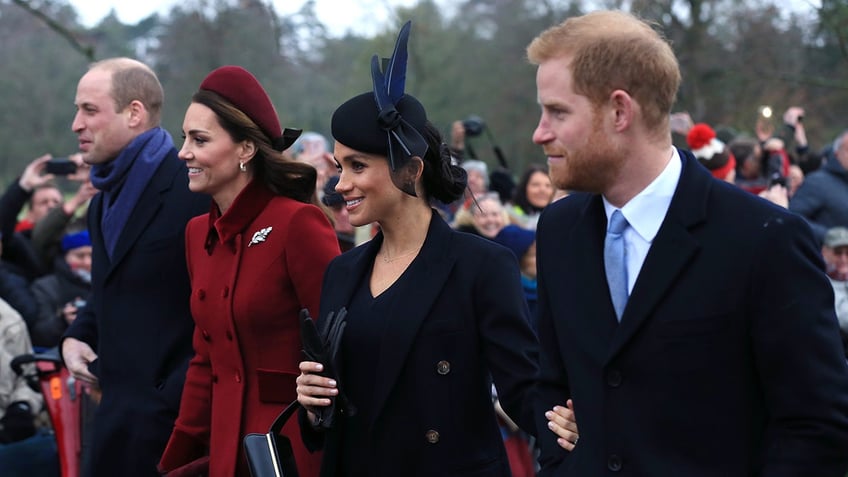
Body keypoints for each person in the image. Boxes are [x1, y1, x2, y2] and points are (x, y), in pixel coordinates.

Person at [528, 10, 848, 476]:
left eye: (558, 111)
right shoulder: (559, 229)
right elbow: (552, 384)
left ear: (620, 111)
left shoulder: (763, 239)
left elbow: (817, 425)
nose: (540, 132)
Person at [295, 21, 539, 476]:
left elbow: (525, 391)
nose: (339, 183)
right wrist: (313, 404)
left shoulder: (482, 266)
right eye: (337, 166)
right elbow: (339, 412)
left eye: (356, 165)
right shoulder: (342, 272)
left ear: (409, 169)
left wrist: (578, 422)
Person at [157, 65, 338, 477]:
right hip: (226, 448)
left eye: (199, 139)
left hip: (290, 447)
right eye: (185, 137)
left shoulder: (298, 223)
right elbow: (206, 360)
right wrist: (179, 454)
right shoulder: (197, 233)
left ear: (245, 150)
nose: (183, 151)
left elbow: (338, 343)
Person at [60, 57, 209, 476]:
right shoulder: (101, 200)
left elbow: (218, 300)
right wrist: (76, 336)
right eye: (77, 110)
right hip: (114, 426)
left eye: (90, 110)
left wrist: (175, 396)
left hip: (175, 432)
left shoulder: (192, 188)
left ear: (135, 112)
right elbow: (109, 291)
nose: (76, 124)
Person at [29, 228, 92, 348]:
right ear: (65, 257)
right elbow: (39, 335)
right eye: (80, 256)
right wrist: (63, 320)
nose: (87, 262)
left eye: (92, 255)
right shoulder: (46, 287)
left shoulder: (108, 285)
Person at [789, 130, 848, 244]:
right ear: (836, 153)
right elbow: (793, 218)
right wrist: (832, 237)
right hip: (824, 259)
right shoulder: (817, 182)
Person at [508, 164, 554, 230]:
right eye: (536, 185)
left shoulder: (558, 216)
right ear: (524, 188)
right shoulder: (507, 216)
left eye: (548, 185)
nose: (542, 190)